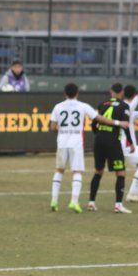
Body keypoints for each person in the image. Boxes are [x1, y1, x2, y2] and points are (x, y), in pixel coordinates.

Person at [49, 83, 98, 213]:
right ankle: (74, 201)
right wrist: (117, 122)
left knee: (59, 170)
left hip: (62, 142)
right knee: (77, 171)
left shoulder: (58, 106)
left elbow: (53, 127)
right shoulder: (83, 106)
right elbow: (97, 117)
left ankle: (54, 200)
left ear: (65, 93)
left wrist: (63, 129)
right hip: (76, 143)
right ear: (77, 93)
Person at [87, 83, 133, 213]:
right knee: (121, 172)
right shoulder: (124, 106)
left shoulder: (102, 104)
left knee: (98, 171)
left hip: (99, 140)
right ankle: (118, 205)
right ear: (122, 92)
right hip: (113, 141)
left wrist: (98, 135)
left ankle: (91, 202)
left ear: (111, 91)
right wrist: (130, 142)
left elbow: (94, 123)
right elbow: (125, 125)